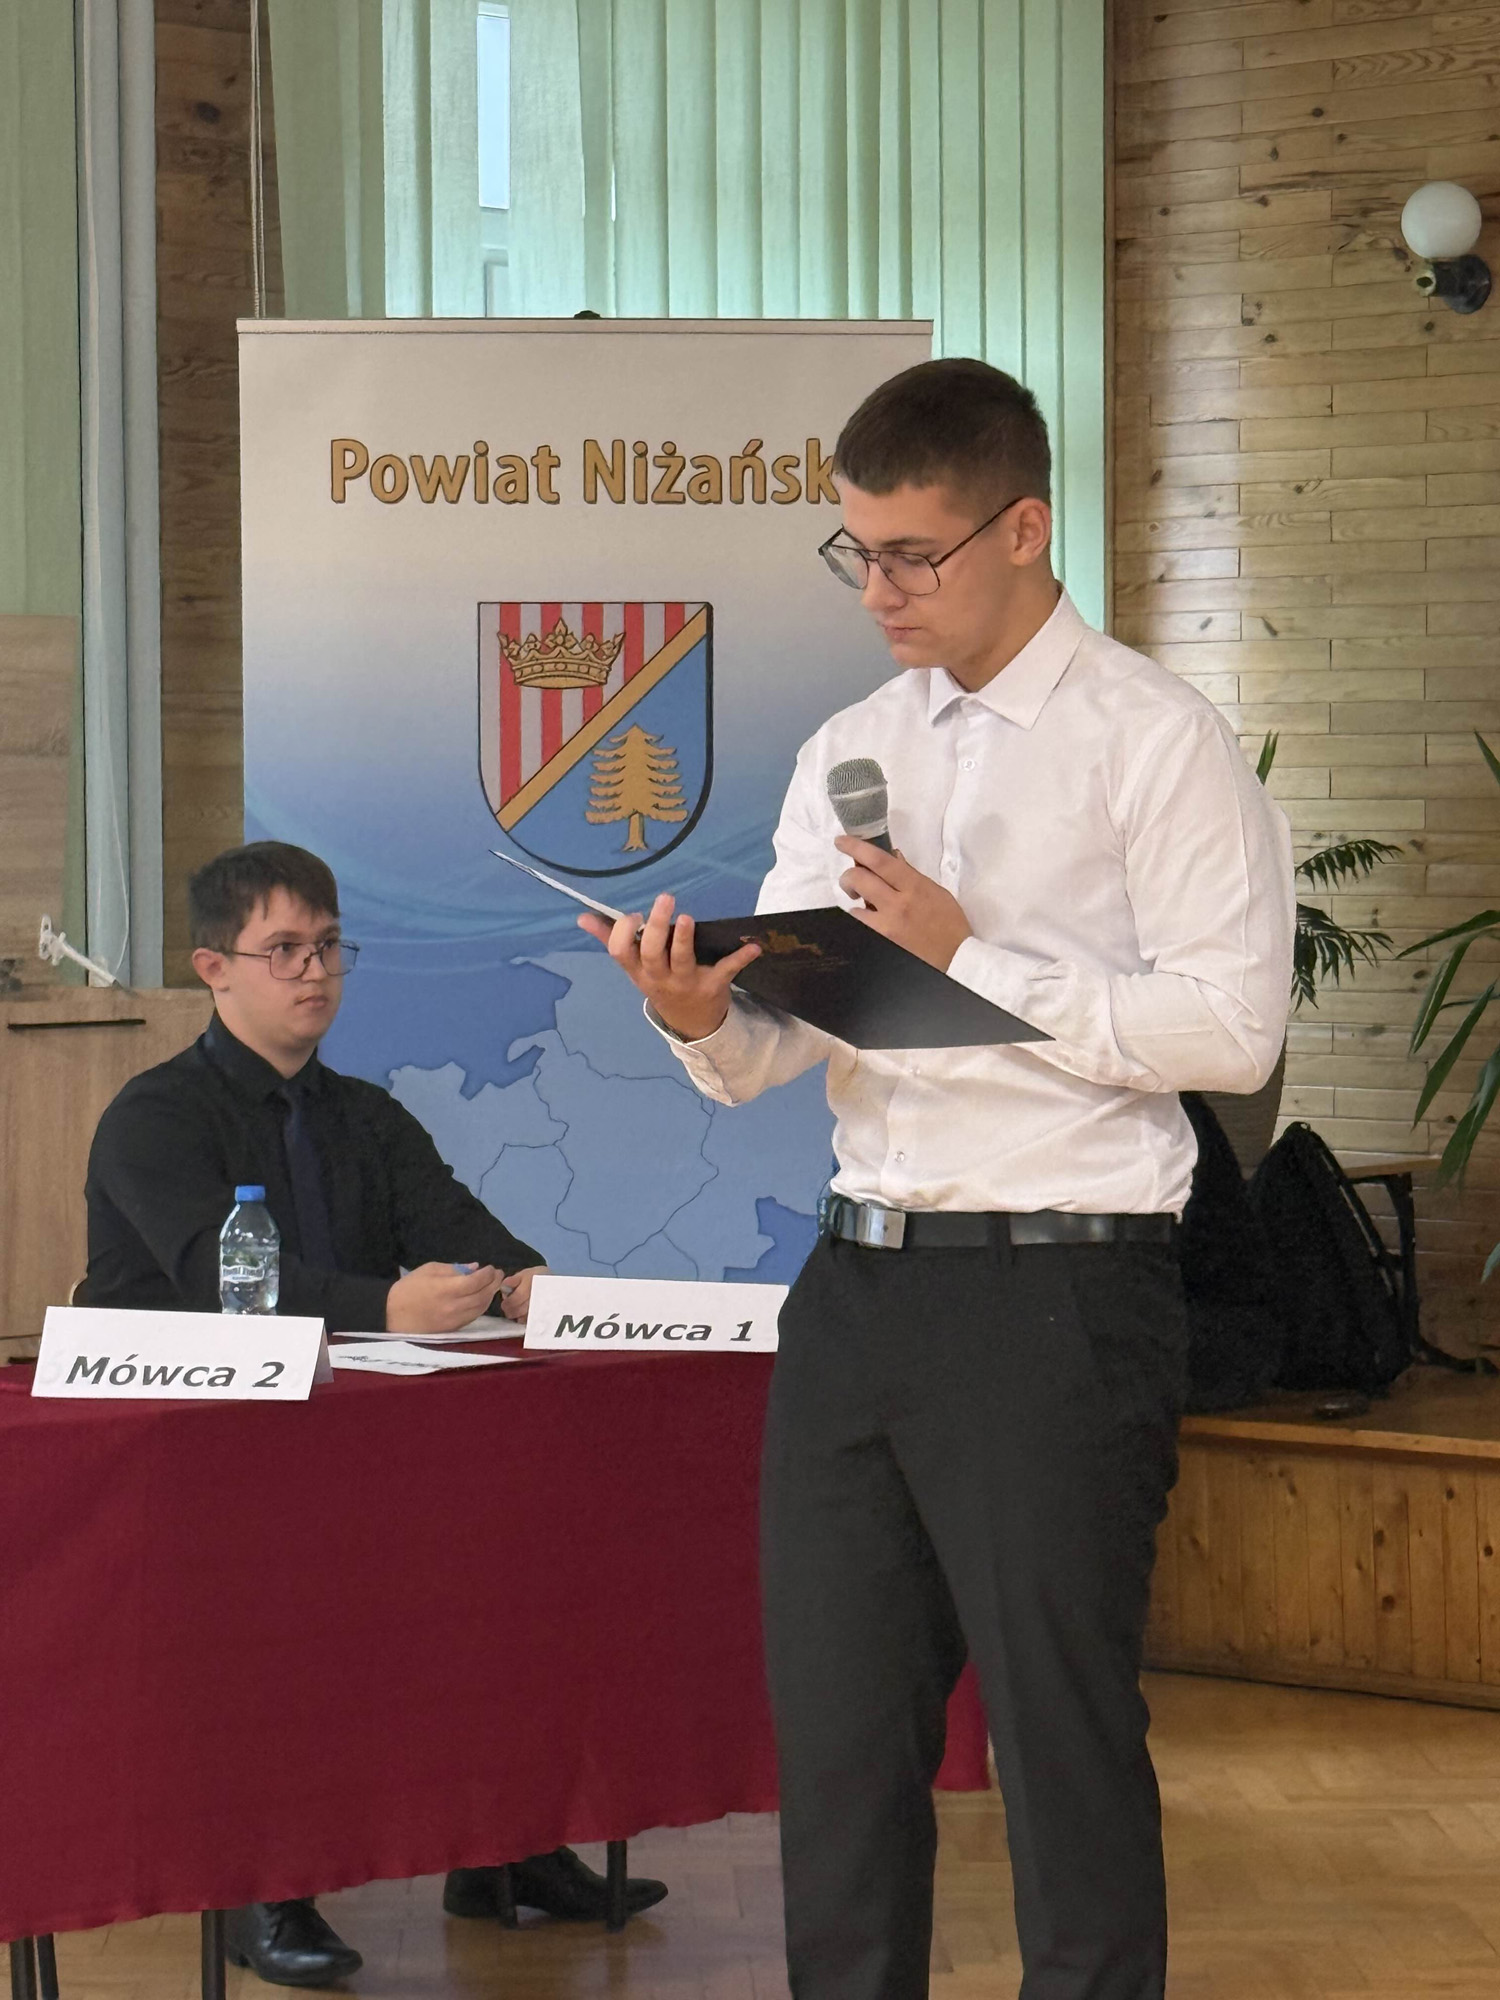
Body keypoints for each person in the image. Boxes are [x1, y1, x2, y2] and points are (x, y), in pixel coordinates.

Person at [579, 359, 1294, 2000]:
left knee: (1059, 1741)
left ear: (1025, 529)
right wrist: (698, 1013)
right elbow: (789, 1037)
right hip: (858, 1290)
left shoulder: (1153, 743)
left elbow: (1232, 1032)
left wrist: (980, 959)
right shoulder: (851, 748)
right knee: (837, 1747)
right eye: (858, 552)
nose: (879, 591)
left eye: (914, 553)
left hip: (1060, 1294)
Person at [82, 841, 667, 1987]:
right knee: (274, 1600)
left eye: (329, 946)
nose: (315, 972)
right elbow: (219, 1275)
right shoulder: (154, 1115)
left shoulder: (365, 1115)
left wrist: (522, 1279)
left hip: (345, 1434)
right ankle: (260, 1881)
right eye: (284, 950)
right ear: (213, 966)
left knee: (517, 1546)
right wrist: (383, 1305)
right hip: (194, 1451)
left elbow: (455, 1222)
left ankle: (503, 1844)